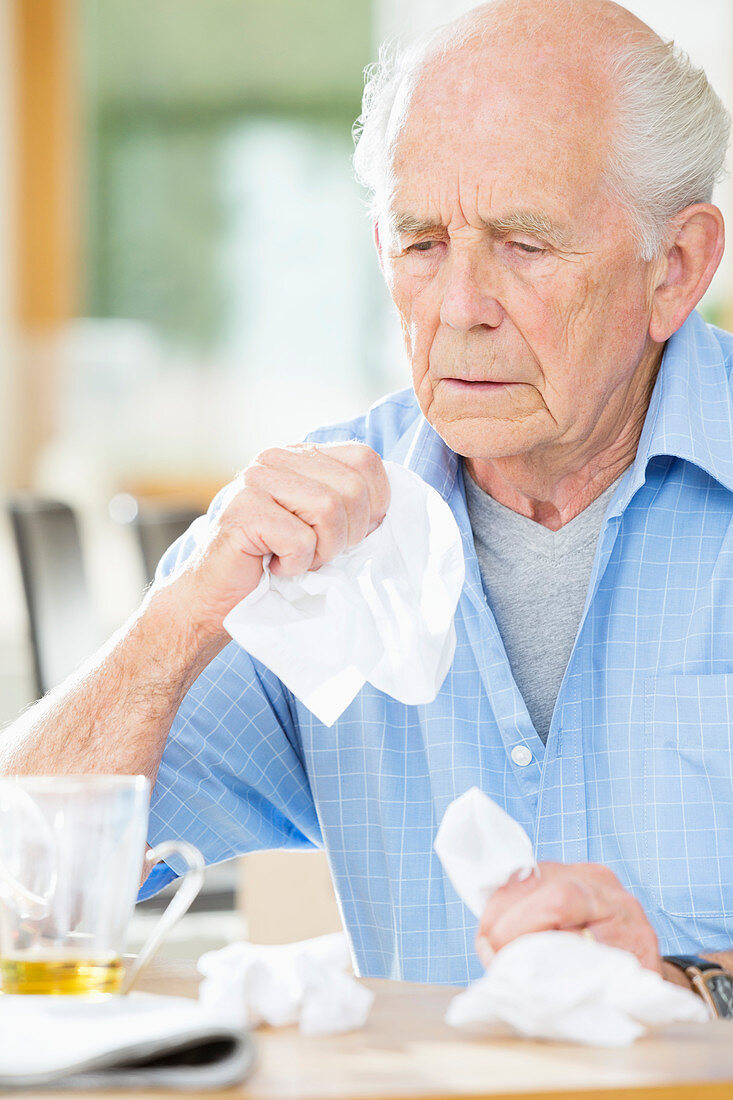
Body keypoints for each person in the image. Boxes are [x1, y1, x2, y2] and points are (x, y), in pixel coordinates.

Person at [3, 0, 733, 993]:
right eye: (420, 241)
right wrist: (175, 625)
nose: (458, 307)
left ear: (675, 267)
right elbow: (25, 895)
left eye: (524, 243)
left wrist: (687, 982)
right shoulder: (320, 532)